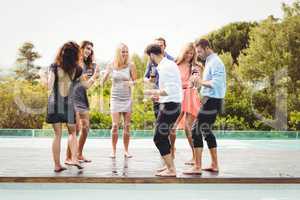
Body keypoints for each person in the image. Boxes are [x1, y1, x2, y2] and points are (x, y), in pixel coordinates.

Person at [46, 41, 99, 172]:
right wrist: (95, 77)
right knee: (73, 133)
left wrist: (42, 76)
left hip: (54, 103)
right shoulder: (78, 69)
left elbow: (49, 85)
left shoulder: (54, 66)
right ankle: (74, 158)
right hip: (68, 104)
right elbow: (86, 86)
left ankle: (57, 165)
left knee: (57, 135)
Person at [184, 39, 226, 175]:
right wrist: (198, 85)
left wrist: (200, 81)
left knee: (196, 129)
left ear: (207, 48)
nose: (199, 55)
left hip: (212, 101)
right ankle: (214, 164)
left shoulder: (216, 62)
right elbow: (208, 83)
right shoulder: (209, 61)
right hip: (210, 99)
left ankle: (197, 167)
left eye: (200, 51)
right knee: (206, 130)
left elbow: (217, 84)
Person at [144, 44, 182, 177]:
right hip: (171, 104)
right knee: (163, 136)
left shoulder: (165, 67)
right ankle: (168, 166)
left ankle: (171, 169)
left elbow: (169, 90)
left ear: (152, 55)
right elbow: (173, 89)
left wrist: (151, 92)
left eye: (149, 57)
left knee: (159, 138)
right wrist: (158, 96)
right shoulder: (168, 65)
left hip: (170, 106)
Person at [101, 43, 137, 158]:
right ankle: (113, 150)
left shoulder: (131, 65)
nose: (125, 54)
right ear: (118, 52)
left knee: (127, 126)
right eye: (123, 51)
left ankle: (126, 150)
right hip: (115, 98)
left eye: (126, 51)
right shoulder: (111, 65)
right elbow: (103, 82)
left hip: (127, 98)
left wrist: (131, 83)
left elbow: (135, 82)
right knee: (115, 125)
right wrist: (105, 75)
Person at [65, 41, 98, 164]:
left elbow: (86, 85)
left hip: (82, 98)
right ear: (81, 48)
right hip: (73, 98)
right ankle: (68, 157)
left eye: (91, 49)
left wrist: (94, 72)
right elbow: (86, 84)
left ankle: (79, 154)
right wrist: (95, 76)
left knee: (85, 128)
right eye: (87, 48)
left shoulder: (86, 64)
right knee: (75, 130)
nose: (89, 51)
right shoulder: (76, 62)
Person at [170, 43, 202, 165]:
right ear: (183, 52)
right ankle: (172, 151)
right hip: (177, 97)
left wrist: (195, 79)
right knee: (171, 127)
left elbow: (196, 77)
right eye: (187, 52)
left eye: (191, 53)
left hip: (190, 96)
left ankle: (195, 156)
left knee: (189, 128)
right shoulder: (175, 64)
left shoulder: (194, 66)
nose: (189, 55)